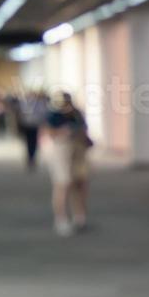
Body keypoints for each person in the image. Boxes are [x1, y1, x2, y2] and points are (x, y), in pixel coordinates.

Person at [45, 92, 91, 236]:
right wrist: (64, 132)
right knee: (63, 184)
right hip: (62, 150)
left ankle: (80, 217)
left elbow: (84, 128)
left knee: (80, 182)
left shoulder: (77, 113)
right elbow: (50, 132)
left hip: (78, 149)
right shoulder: (53, 115)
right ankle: (61, 219)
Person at [16, 90, 47, 171]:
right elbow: (20, 113)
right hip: (27, 125)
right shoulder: (25, 103)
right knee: (29, 142)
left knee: (33, 142)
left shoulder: (38, 104)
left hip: (34, 125)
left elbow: (42, 114)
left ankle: (32, 157)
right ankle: (30, 157)